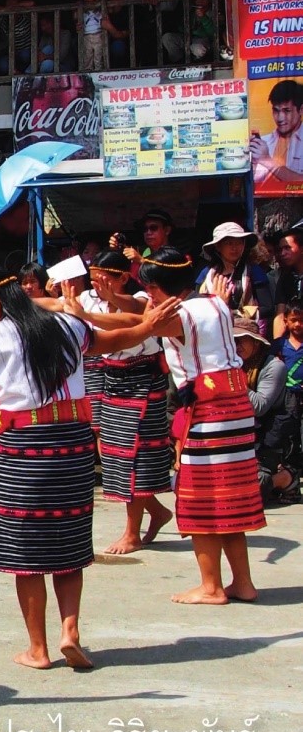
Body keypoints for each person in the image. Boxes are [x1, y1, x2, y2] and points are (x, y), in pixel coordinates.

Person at [0, 265, 171, 668]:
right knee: (70, 541)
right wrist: (150, 326)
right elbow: (117, 338)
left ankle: (38, 649)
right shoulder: (65, 324)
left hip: (23, 446)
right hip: (74, 445)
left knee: (25, 553)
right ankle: (70, 630)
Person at [136, 247, 266, 605]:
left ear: (162, 288)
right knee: (231, 499)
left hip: (209, 414)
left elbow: (141, 327)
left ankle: (211, 587)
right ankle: (243, 582)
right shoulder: (216, 304)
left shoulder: (174, 317)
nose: (149, 296)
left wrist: (83, 312)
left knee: (201, 502)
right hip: (236, 408)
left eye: (150, 289)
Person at [67, 251, 173, 553]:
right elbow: (58, 307)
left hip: (143, 379)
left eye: (104, 278)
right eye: (94, 278)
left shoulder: (142, 298)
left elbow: (132, 318)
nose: (97, 284)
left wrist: (89, 313)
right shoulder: (91, 301)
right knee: (113, 453)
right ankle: (156, 511)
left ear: (123, 277)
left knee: (134, 455)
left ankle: (132, 532)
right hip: (111, 378)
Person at [235, 315, 296, 502]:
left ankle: (285, 479)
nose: (236, 346)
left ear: (256, 343)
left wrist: (233, 377)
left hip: (265, 439)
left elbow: (259, 407)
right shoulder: (234, 363)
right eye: (232, 341)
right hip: (236, 436)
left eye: (241, 340)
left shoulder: (274, 367)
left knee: (249, 490)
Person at [197, 221, 273, 334]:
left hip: (247, 334)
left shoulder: (254, 271)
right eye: (229, 243)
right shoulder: (206, 274)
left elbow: (268, 308)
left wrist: (234, 314)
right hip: (212, 332)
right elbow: (196, 306)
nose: (235, 248)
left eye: (239, 243)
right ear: (218, 247)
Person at [270, 296, 303, 467]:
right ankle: (291, 466)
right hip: (287, 395)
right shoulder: (278, 345)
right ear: (286, 321)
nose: (298, 324)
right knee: (289, 430)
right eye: (294, 320)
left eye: (301, 320)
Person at [251, 80, 303, 185]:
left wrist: (267, 160)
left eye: (287, 111)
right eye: (276, 110)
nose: (280, 118)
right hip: (266, 200)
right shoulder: (263, 143)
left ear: (301, 110)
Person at [271, 227, 303, 336]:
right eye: (280, 250)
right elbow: (280, 315)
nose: (283, 253)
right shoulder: (285, 278)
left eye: (287, 248)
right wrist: (278, 347)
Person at [77, 0, 107, 71]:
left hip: (98, 34)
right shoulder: (82, 10)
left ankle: (99, 70)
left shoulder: (100, 8)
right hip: (86, 35)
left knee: (98, 54)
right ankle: (88, 71)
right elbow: (75, 17)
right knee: (87, 55)